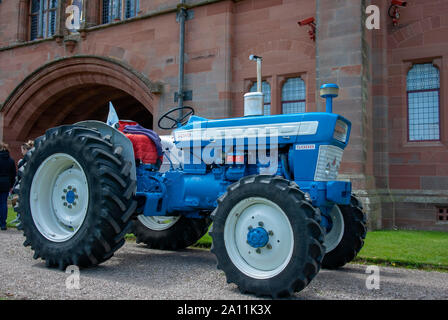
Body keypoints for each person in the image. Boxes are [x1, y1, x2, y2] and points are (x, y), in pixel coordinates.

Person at [10, 140, 34, 226]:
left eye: (22, 150)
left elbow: (20, 174)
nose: (21, 152)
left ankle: (21, 218)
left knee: (20, 201)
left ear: (25, 150)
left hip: (24, 184)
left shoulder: (24, 160)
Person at [0, 141, 16, 231]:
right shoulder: (11, 160)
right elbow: (13, 173)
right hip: (6, 183)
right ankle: (3, 223)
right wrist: (11, 184)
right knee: (3, 203)